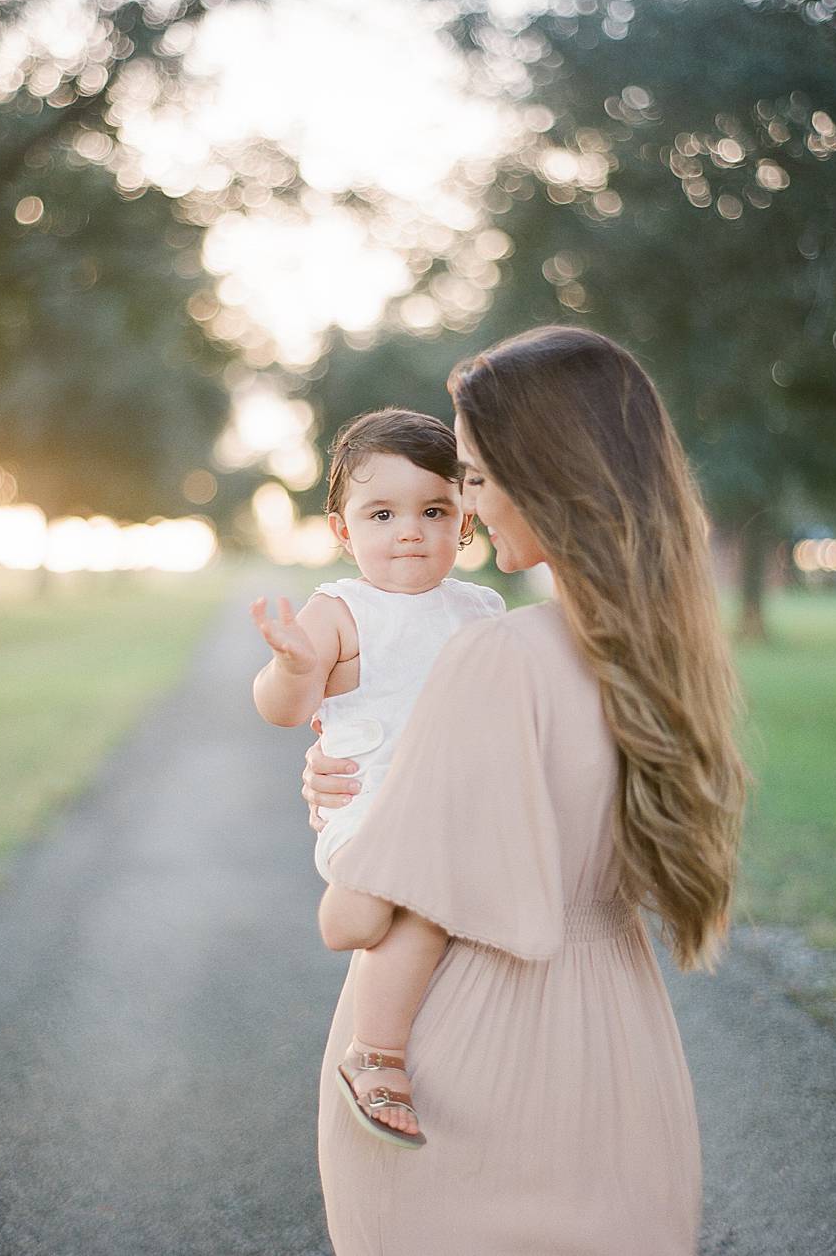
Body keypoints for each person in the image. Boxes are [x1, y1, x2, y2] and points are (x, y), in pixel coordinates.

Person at [301, 327, 746, 1255]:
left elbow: (351, 919)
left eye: (472, 475)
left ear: (541, 474)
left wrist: (352, 811)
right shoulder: (665, 659)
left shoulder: (499, 655)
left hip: (471, 1078)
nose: (467, 504)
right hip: (625, 1057)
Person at [250, 408, 506, 1148]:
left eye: (434, 511)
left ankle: (360, 936)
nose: (410, 531)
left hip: (450, 813)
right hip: (369, 811)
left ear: (464, 520)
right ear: (342, 530)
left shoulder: (479, 608)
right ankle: (376, 1056)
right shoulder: (339, 610)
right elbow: (282, 710)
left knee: (426, 899)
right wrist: (293, 667)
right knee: (414, 902)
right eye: (383, 513)